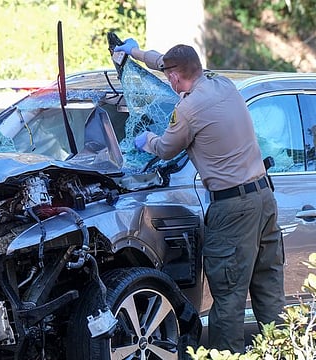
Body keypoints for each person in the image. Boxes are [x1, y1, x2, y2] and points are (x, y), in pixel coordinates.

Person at [114, 38, 285, 353]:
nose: (168, 80)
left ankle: (227, 358)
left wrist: (145, 140)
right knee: (270, 293)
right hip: (265, 200)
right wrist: (134, 53)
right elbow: (167, 61)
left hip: (233, 210)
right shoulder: (224, 85)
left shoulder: (188, 109)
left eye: (169, 77)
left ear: (176, 78)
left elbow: (166, 149)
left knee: (229, 299)